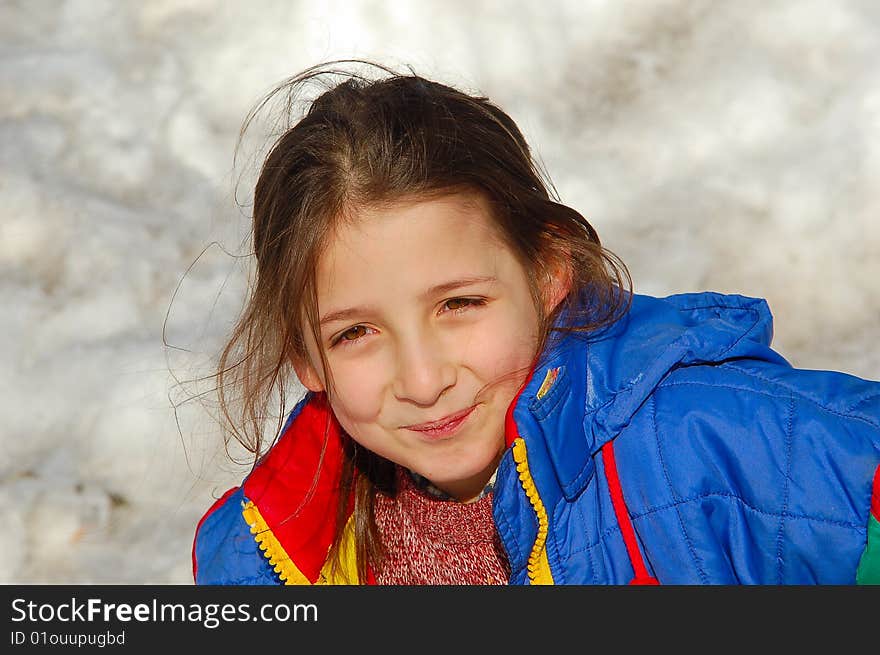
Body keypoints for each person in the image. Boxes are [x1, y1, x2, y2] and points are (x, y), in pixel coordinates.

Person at [191, 59, 880, 585]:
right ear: (306, 357)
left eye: (459, 304)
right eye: (355, 333)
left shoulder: (704, 446)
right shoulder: (267, 557)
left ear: (549, 272)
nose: (424, 380)